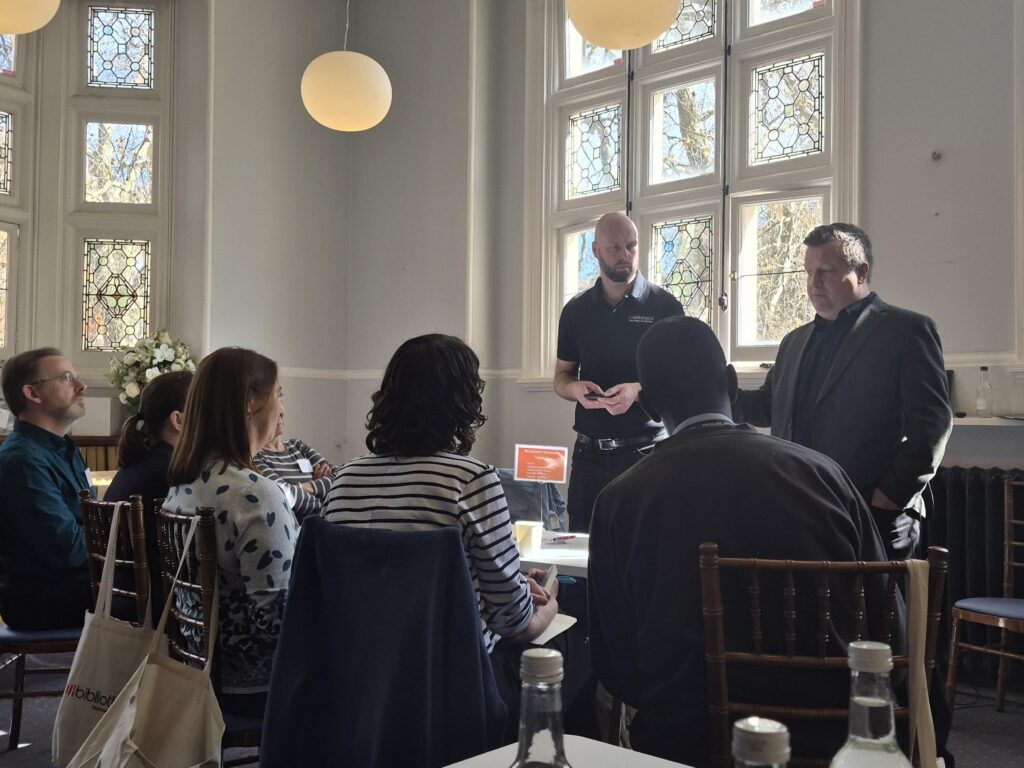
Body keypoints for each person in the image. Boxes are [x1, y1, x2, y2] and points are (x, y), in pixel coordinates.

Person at [588, 317, 896, 765]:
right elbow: (888, 624)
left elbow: (617, 667)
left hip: (688, 743)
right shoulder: (825, 476)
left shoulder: (618, 501)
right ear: (732, 384)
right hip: (831, 740)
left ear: (650, 406)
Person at [323, 334, 591, 730]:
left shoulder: (344, 481)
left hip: (359, 683)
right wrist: (548, 604)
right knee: (581, 650)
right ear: (465, 403)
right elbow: (513, 622)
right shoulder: (470, 480)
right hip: (455, 686)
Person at [734, 223, 952, 559]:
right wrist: (712, 388)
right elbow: (767, 407)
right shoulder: (795, 341)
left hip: (875, 514)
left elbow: (932, 426)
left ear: (861, 271)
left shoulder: (907, 331)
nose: (813, 283)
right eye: (808, 272)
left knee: (879, 611)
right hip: (801, 510)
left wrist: (887, 499)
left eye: (826, 271)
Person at [165, 347, 298, 717]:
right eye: (279, 395)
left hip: (196, 664)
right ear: (249, 403)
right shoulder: (255, 495)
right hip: (252, 681)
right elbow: (276, 622)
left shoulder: (186, 481)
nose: (282, 409)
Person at [554, 212, 684, 532]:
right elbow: (561, 377)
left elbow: (679, 379)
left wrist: (637, 390)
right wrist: (575, 390)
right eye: (615, 248)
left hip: (646, 451)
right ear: (595, 250)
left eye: (631, 246)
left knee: (646, 549)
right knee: (582, 553)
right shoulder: (575, 311)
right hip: (589, 454)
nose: (625, 254)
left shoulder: (665, 307)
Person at [0, 348, 93, 630]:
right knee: (166, 590)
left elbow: (90, 522)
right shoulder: (23, 461)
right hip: (43, 598)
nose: (81, 386)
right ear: (33, 393)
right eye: (67, 378)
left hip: (72, 584)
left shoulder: (63, 448)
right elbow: (70, 552)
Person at [106, 369, 194, 619]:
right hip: (157, 611)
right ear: (178, 420)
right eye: (204, 412)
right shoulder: (171, 475)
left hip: (125, 599)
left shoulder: (141, 462)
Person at [255, 413, 339, 519]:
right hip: (300, 531)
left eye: (281, 400)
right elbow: (283, 496)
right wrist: (324, 495)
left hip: (327, 522)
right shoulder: (255, 458)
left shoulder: (298, 445)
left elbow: (340, 477)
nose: (281, 412)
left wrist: (306, 487)